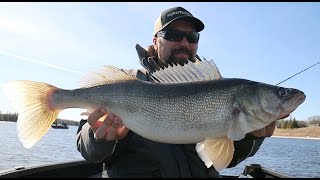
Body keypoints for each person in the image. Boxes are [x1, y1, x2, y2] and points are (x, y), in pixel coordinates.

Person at [76, 6, 276, 178]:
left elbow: (222, 160)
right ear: (156, 41)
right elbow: (87, 149)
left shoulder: (217, 86)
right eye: (173, 35)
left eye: (192, 37)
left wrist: (252, 138)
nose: (184, 43)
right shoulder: (126, 81)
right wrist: (98, 138)